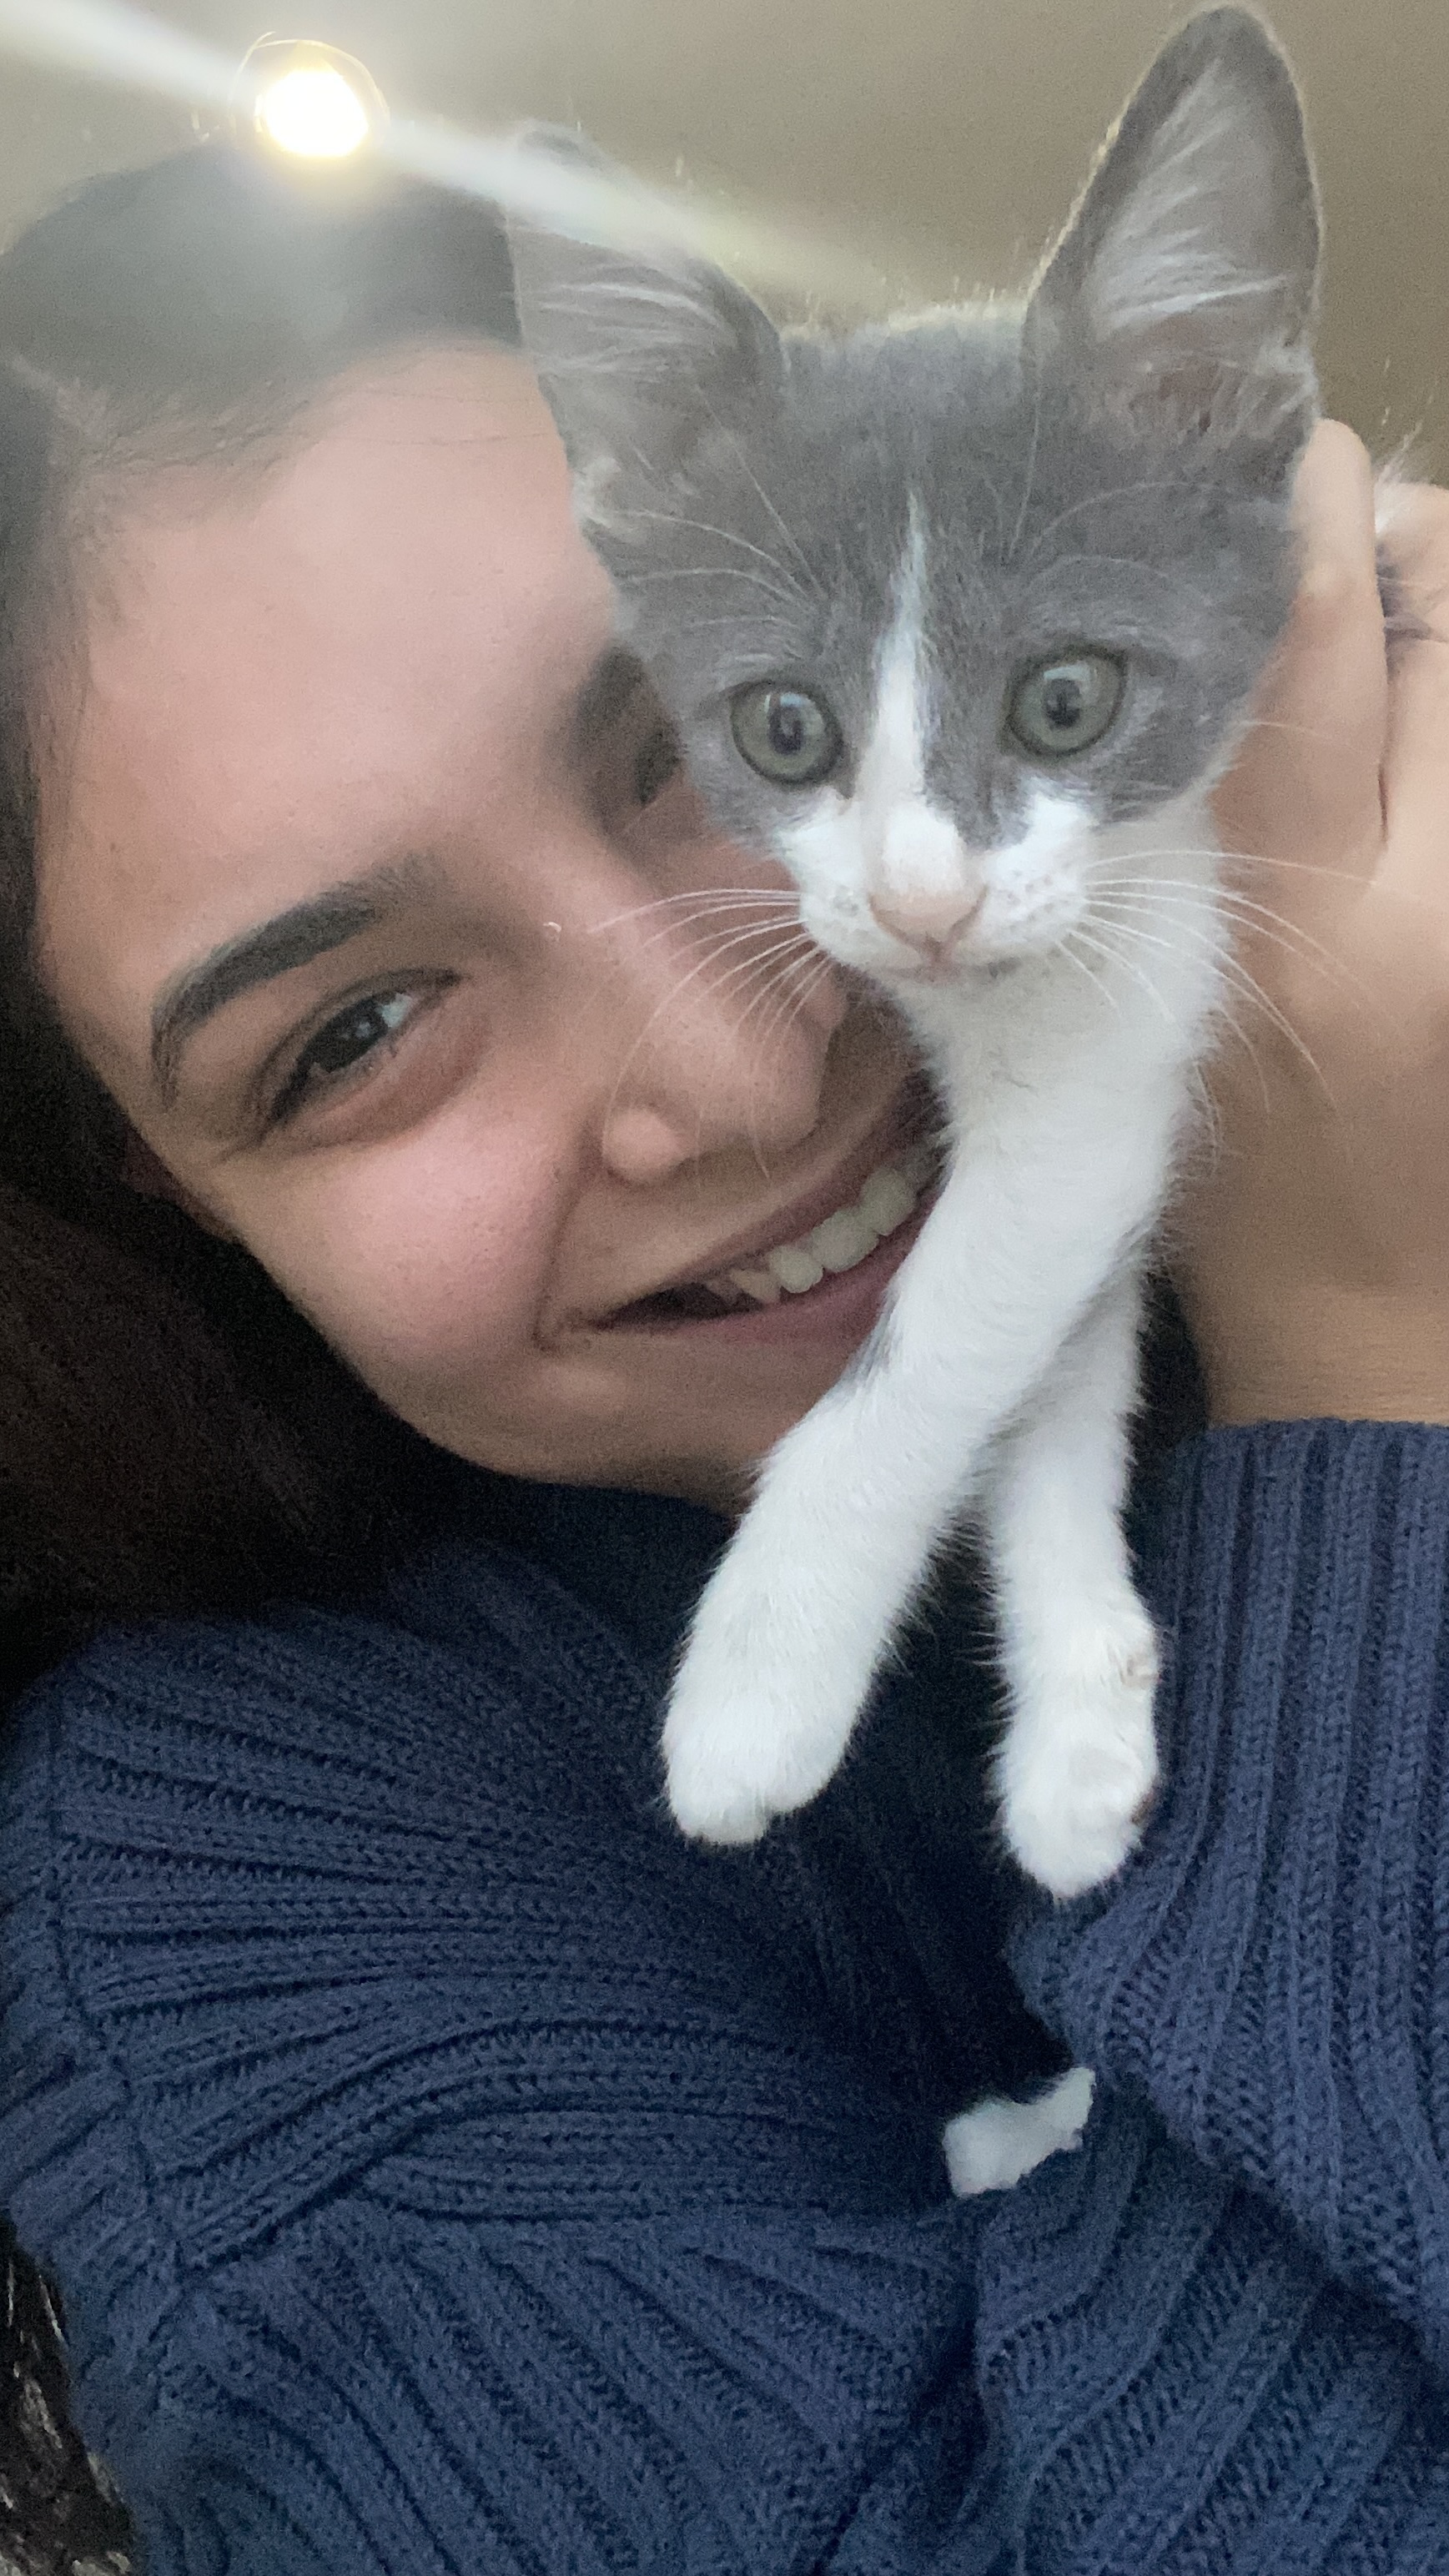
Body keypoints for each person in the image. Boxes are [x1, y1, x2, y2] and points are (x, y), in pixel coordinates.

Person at [0, 138, 1447, 2575]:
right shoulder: (210, 1872)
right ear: (164, 1186)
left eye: (707, 731)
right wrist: (1369, 1361)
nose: (755, 1075)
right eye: (356, 1032)